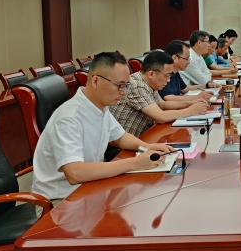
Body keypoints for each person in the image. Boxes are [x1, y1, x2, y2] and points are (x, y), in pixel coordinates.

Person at [31, 52, 174, 212]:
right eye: (120, 85)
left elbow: (120, 137)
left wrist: (147, 147)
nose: (124, 92)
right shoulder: (68, 118)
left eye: (126, 86)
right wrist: (134, 163)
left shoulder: (100, 106)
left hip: (89, 186)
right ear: (96, 81)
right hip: (59, 201)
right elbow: (75, 173)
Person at [110, 50, 208, 138]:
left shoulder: (150, 83)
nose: (168, 80)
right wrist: (191, 111)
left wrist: (191, 103)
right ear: (151, 74)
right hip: (126, 144)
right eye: (167, 75)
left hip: (145, 136)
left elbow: (163, 104)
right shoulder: (137, 85)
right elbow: (161, 116)